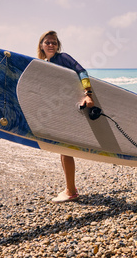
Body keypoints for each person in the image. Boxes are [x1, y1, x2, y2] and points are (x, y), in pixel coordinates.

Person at [37, 30, 94, 203]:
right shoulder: (44, 65)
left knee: (65, 148)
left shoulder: (64, 58)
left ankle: (71, 191)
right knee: (63, 149)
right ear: (41, 45)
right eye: (48, 42)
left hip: (70, 108)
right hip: (59, 109)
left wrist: (88, 93)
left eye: (54, 42)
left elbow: (82, 72)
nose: (51, 45)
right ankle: (70, 188)